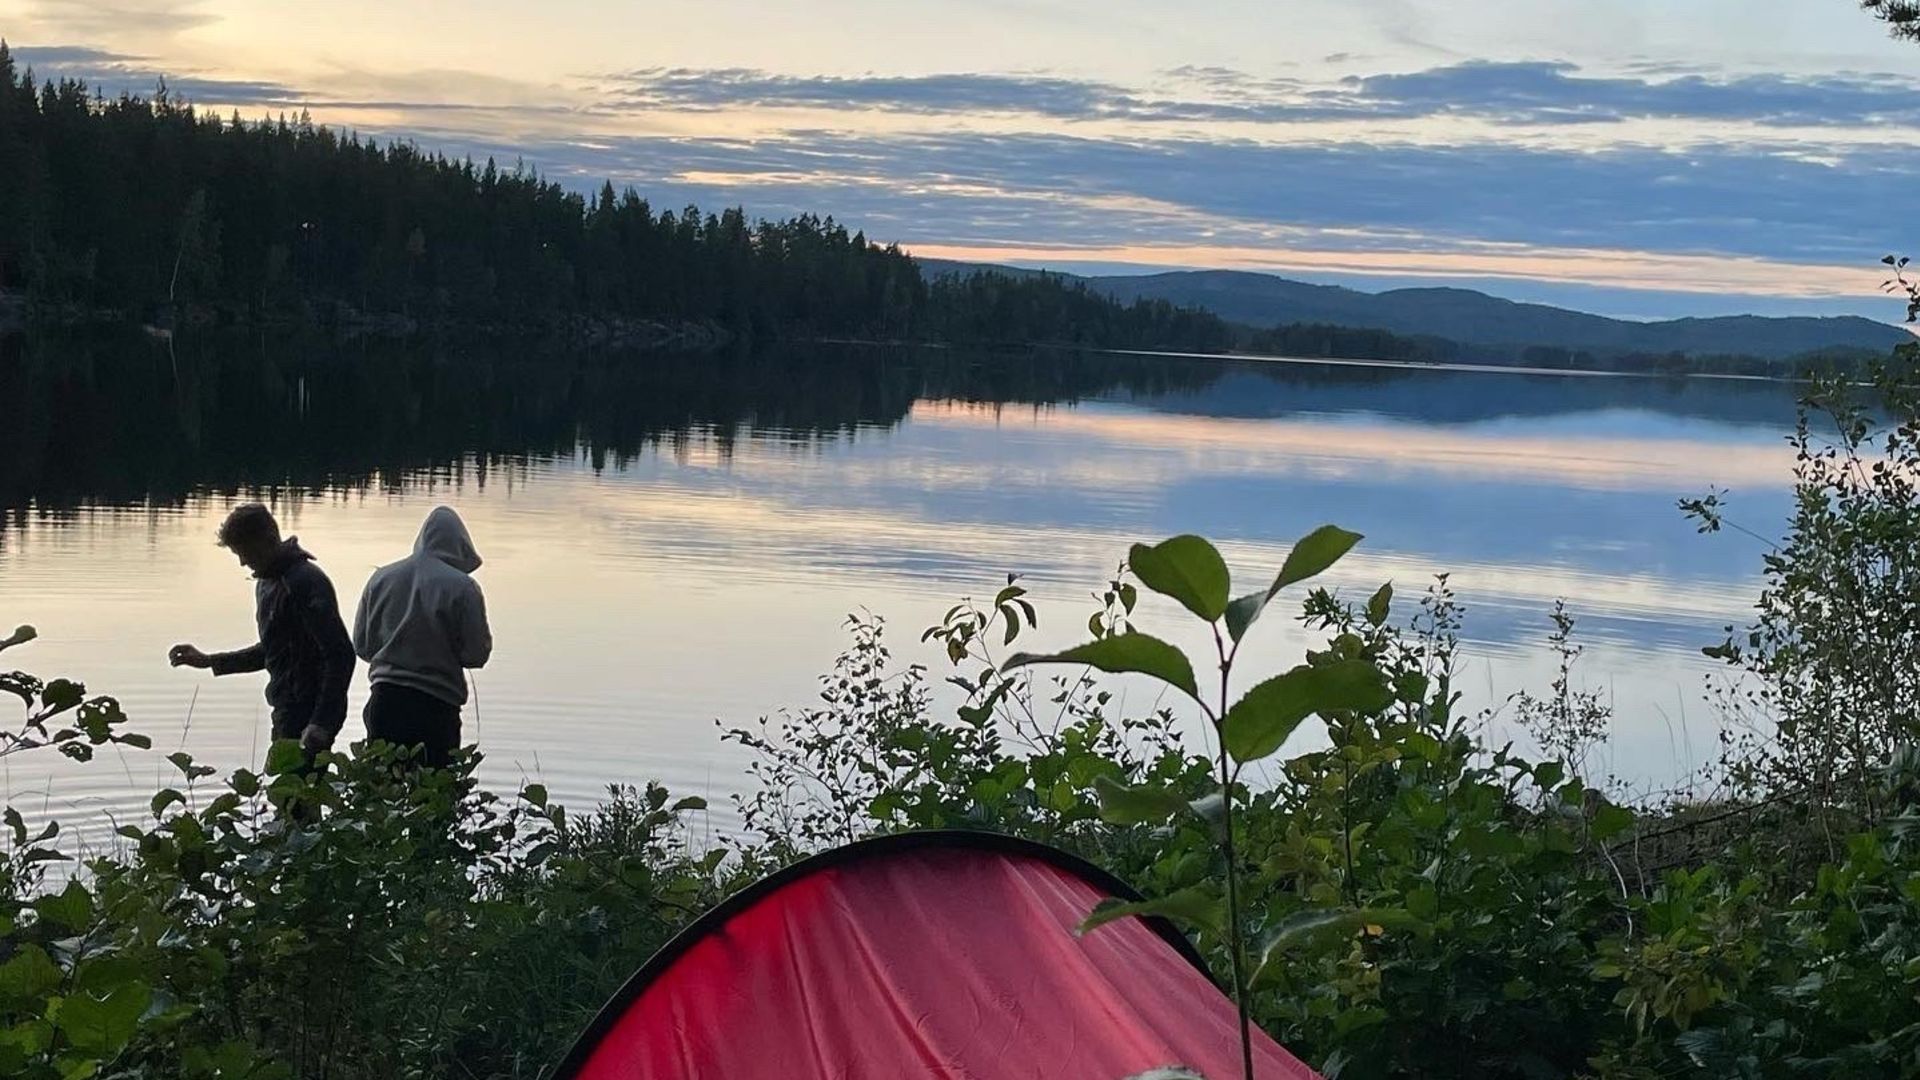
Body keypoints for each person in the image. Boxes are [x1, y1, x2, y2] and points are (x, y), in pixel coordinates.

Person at [169, 504, 355, 758]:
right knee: (287, 793)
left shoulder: (304, 582)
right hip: (285, 709)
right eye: (238, 555)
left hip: (309, 713)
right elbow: (273, 651)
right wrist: (208, 661)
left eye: (246, 553)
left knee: (297, 794)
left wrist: (321, 722)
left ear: (268, 540)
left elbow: (340, 654)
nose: (244, 562)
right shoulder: (268, 582)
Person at [352, 506, 492, 768]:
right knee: (434, 796)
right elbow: (476, 654)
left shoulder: (381, 578)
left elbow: (362, 646)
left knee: (381, 792)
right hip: (436, 709)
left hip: (384, 701)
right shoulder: (463, 587)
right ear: (461, 547)